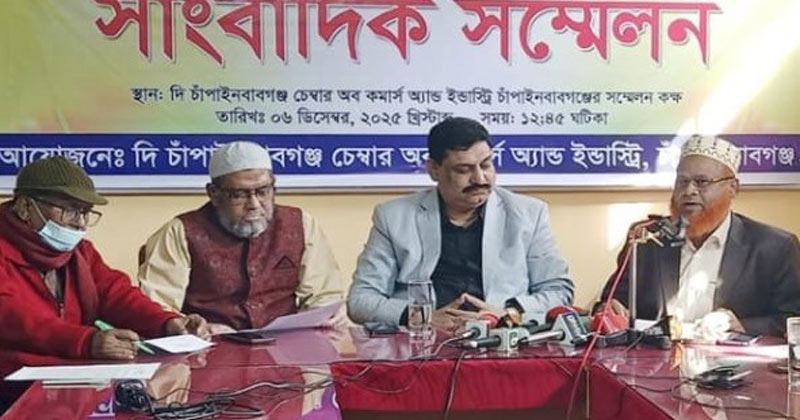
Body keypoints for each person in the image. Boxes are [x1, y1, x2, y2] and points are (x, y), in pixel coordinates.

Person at [0, 156, 210, 408]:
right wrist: (85, 342)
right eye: (70, 210)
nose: (80, 223)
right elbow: (13, 318)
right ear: (25, 206)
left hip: (70, 385)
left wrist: (167, 323)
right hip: (11, 389)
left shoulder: (79, 253)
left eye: (85, 212)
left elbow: (116, 294)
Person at [347, 117, 574, 332]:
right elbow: (360, 300)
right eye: (463, 170)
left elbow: (558, 291)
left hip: (502, 340)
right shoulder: (393, 217)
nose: (480, 179)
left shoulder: (528, 214)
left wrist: (508, 313)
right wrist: (423, 317)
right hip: (423, 344)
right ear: (434, 170)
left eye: (486, 165)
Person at [601, 135, 800, 338]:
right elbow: (610, 302)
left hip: (730, 357)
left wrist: (740, 325)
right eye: (682, 182)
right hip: (655, 354)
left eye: (702, 182)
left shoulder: (774, 247)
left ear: (733, 188)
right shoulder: (647, 238)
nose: (689, 191)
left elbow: (793, 319)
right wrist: (610, 309)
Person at [138, 141, 344, 333]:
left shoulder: (300, 224)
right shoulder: (180, 232)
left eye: (262, 192)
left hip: (284, 348)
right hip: (209, 349)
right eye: (239, 195)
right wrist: (199, 328)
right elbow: (157, 307)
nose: (254, 204)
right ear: (214, 194)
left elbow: (324, 295)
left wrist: (326, 314)